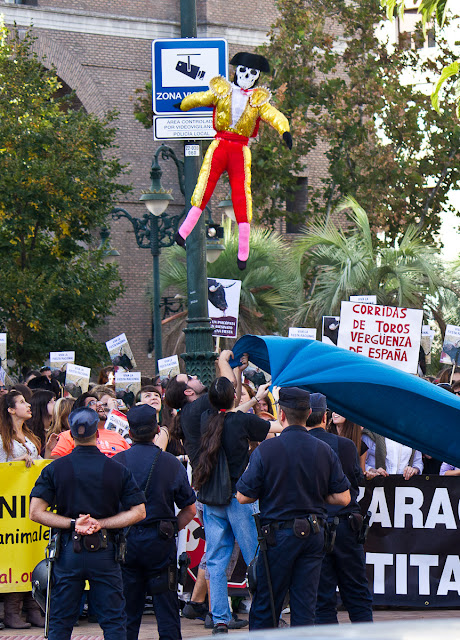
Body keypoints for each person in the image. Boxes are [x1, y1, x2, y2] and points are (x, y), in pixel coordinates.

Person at [236, 387, 350, 630]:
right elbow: (343, 498)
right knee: (305, 607)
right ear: (309, 412)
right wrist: (317, 494)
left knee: (267, 604)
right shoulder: (324, 449)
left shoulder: (266, 450)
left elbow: (243, 496)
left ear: (281, 415)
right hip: (313, 533)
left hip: (278, 536)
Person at [29, 406, 146, 640]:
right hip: (105, 552)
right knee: (113, 621)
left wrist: (73, 524)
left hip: (68, 552)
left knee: (60, 621)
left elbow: (36, 512)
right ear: (98, 433)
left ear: (70, 435)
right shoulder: (117, 470)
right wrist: (101, 523)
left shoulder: (55, 469)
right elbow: (139, 512)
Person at [193, 376, 281, 634]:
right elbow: (278, 427)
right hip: (239, 498)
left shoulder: (206, 420)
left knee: (216, 560)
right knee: (255, 557)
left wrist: (254, 399)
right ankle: (263, 613)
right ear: (234, 397)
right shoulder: (243, 422)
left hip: (211, 498)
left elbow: (228, 415)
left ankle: (219, 618)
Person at [114, 404, 196, 640]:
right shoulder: (171, 463)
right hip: (160, 541)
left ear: (129, 433)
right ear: (157, 431)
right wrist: (171, 529)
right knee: (167, 610)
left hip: (126, 542)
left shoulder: (117, 462)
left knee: (127, 612)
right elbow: (189, 509)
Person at [306, 393, 373, 625]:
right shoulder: (344, 445)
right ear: (324, 417)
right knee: (356, 594)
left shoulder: (300, 446)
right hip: (346, 525)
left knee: (322, 599)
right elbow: (356, 480)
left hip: (316, 527)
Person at [0, 391, 44, 628]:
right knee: (14, 555)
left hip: (29, 505)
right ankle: (12, 611)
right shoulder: (1, 438)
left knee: (31, 552)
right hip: (10, 510)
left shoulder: (29, 436)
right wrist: (14, 466)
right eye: (22, 402)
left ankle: (32, 606)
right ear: (10, 409)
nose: (28, 405)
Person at [50, 391, 129, 458]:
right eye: (92, 403)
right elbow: (56, 463)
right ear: (81, 412)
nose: (99, 404)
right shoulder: (69, 435)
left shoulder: (118, 436)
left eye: (98, 402)